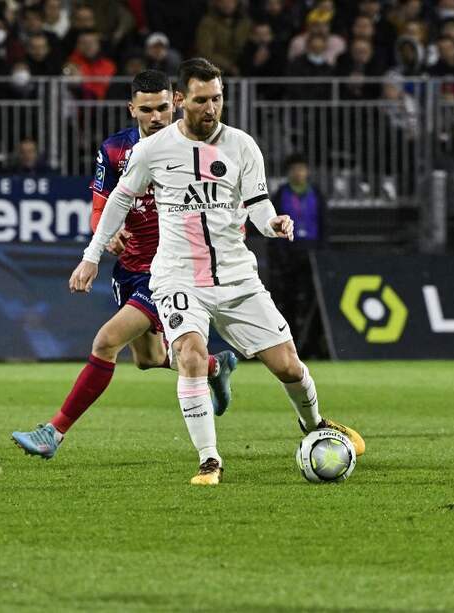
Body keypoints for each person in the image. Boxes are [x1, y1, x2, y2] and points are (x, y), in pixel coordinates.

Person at [69, 58, 365, 485]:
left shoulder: (242, 146)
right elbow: (118, 200)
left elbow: (258, 204)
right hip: (177, 276)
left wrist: (273, 223)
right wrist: (92, 255)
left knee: (289, 368)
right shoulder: (152, 150)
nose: (211, 108)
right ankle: (209, 460)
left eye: (217, 99)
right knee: (189, 356)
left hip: (236, 275)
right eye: (202, 99)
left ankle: (314, 423)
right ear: (180, 100)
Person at [11, 70, 237, 461]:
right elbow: (102, 207)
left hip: (172, 270)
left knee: (105, 342)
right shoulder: (116, 150)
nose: (156, 117)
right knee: (149, 359)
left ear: (177, 103)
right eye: (146, 109)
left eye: (163, 107)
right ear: (132, 108)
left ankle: (54, 432)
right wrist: (105, 235)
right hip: (130, 268)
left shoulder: (199, 147)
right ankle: (215, 366)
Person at [268, 154, 327, 358]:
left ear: (307, 171)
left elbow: (324, 225)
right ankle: (290, 346)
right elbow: (272, 226)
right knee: (288, 302)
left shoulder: (316, 194)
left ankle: (313, 346)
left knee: (314, 302)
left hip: (312, 254)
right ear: (289, 172)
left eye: (302, 169)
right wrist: (280, 255)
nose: (299, 173)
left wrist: (321, 252)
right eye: (295, 169)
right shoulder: (280, 195)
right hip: (289, 254)